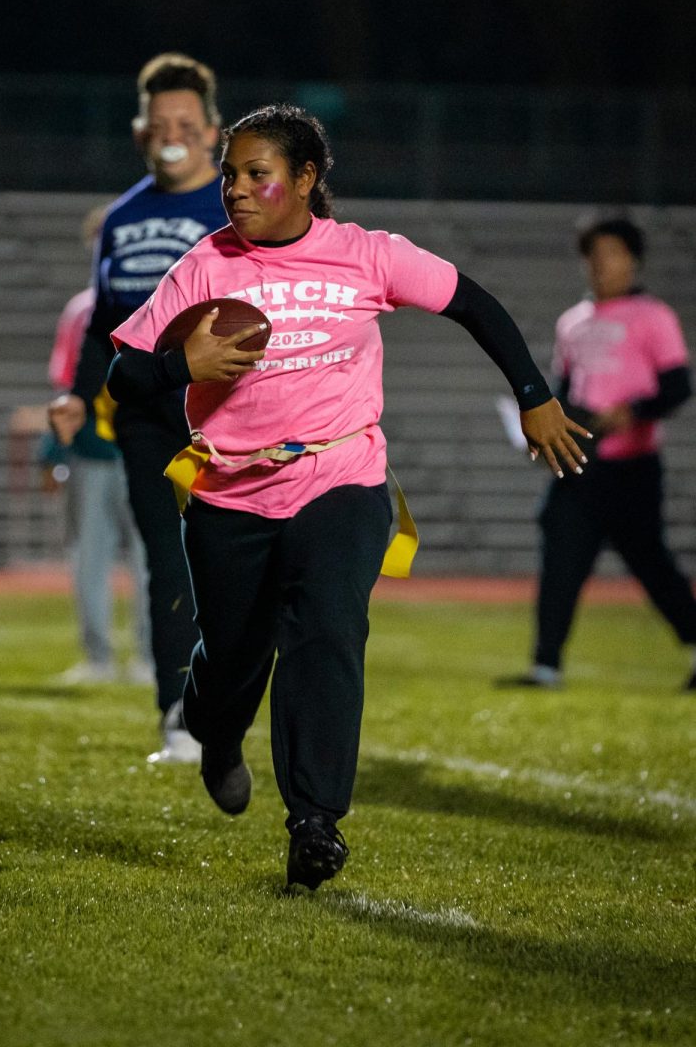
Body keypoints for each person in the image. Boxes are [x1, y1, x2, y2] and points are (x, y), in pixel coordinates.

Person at [105, 104, 589, 890]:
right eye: (229, 175)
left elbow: (472, 302)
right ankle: (216, 734)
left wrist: (532, 392)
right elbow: (121, 374)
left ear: (304, 180)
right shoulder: (203, 265)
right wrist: (176, 367)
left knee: (326, 631)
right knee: (232, 657)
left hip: (341, 476)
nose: (234, 189)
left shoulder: (367, 255)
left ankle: (313, 823)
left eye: (254, 175)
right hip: (230, 492)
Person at [48, 53, 227, 761]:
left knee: (247, 563)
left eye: (185, 123)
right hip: (149, 415)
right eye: (159, 125)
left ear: (212, 132)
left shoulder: (236, 206)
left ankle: (253, 700)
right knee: (169, 560)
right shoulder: (121, 219)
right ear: (140, 134)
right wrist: (74, 393)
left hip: (237, 418)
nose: (171, 135)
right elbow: (102, 325)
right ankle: (176, 715)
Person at [505, 217, 696, 691]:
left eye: (610, 252)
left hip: (633, 467)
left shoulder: (654, 316)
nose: (600, 263)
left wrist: (630, 412)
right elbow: (565, 390)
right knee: (560, 563)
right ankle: (545, 667)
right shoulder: (573, 321)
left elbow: (677, 387)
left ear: (633, 258)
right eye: (593, 254)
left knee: (653, 566)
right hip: (581, 465)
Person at [40, 205, 152, 685]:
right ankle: (100, 657)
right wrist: (53, 449)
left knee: (154, 559)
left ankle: (150, 657)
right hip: (92, 450)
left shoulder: (161, 301)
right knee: (91, 556)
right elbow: (67, 386)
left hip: (145, 448)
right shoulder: (81, 310)